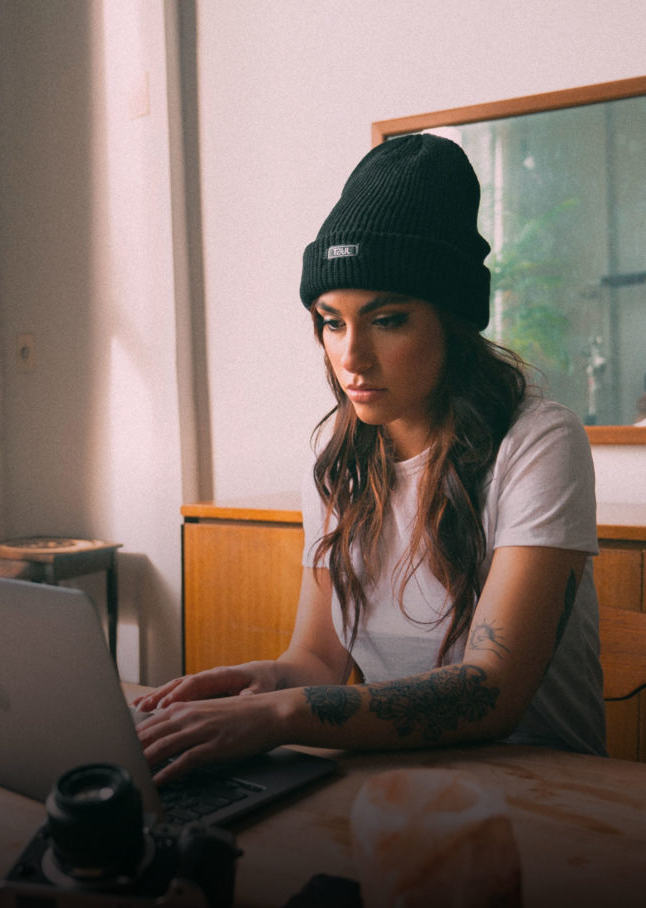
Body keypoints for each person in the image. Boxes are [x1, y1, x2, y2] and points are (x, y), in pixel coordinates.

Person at [135, 133, 606, 783]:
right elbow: (315, 664)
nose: (350, 357)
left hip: (544, 787)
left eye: (387, 319)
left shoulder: (538, 442)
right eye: (331, 321)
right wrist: (247, 687)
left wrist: (281, 715)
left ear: (452, 322)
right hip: (396, 780)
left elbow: (490, 691)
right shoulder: (337, 462)